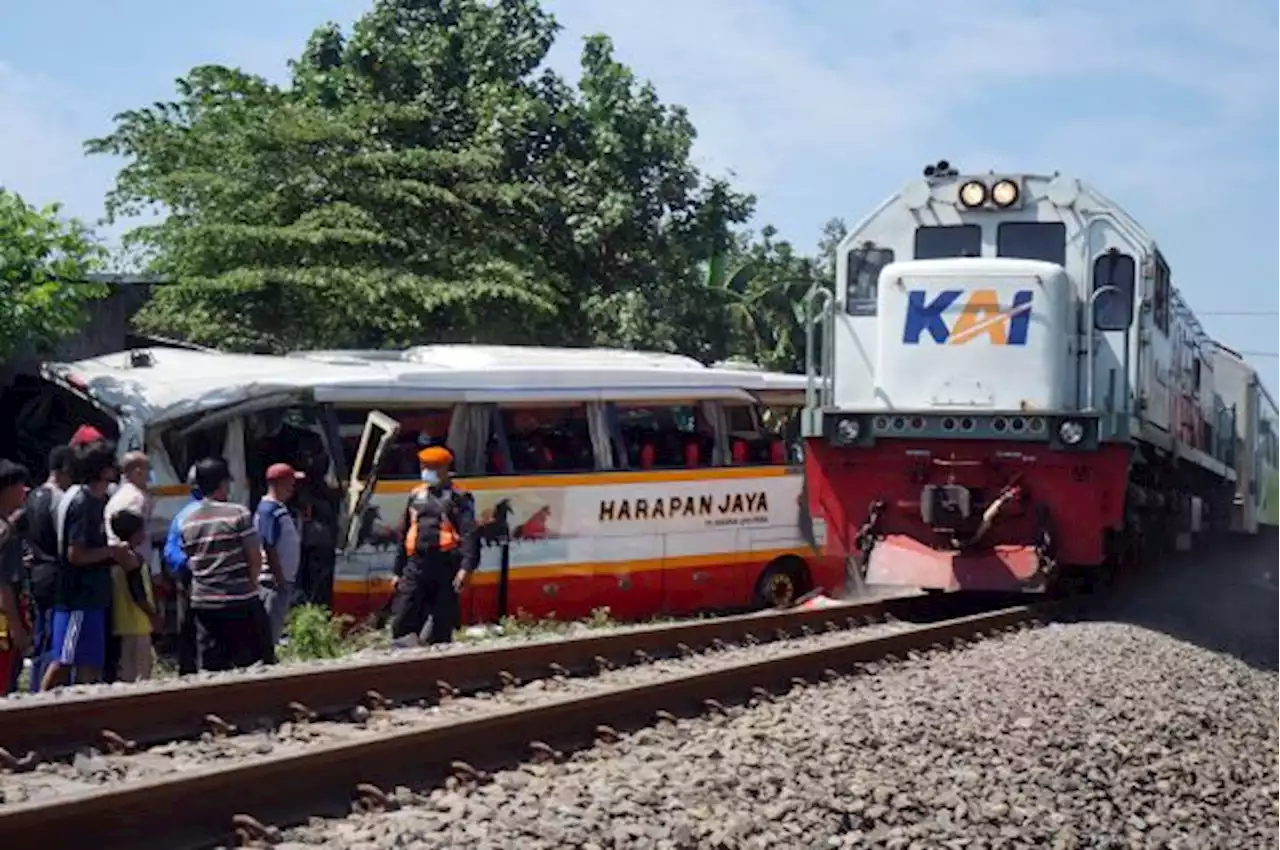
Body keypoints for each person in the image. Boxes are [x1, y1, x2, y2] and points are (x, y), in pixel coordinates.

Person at [42, 442, 133, 690]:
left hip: (95, 595)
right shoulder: (82, 503)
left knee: (90, 663)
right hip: (77, 598)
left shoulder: (103, 499)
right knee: (64, 660)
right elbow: (76, 554)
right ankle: (37, 703)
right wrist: (111, 552)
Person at [180, 457, 268, 672]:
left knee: (213, 666)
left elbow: (192, 561)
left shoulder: (188, 520)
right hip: (238, 599)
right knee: (255, 663)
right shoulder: (238, 514)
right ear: (223, 484)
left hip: (203, 602)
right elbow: (254, 557)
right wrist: (252, 583)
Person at [389, 445, 477, 646]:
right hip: (415, 563)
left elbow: (469, 535)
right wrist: (397, 570)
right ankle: (401, 657)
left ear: (445, 469)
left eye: (431, 467)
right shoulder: (416, 495)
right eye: (423, 466)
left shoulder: (459, 497)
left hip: (445, 565)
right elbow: (403, 534)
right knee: (404, 614)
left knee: (441, 620)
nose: (425, 471)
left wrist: (465, 568)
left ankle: (436, 659)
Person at [21, 446, 73, 691]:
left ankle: (34, 688)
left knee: (42, 635)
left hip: (36, 573)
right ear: (64, 469)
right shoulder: (60, 500)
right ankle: (47, 691)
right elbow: (64, 542)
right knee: (57, 637)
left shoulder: (33, 496)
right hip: (56, 573)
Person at [106, 509, 161, 681]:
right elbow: (137, 592)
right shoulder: (131, 559)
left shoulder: (113, 557)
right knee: (140, 671)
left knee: (127, 670)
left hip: (122, 622)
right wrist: (153, 615)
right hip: (138, 622)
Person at [255, 463, 303, 646]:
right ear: (280, 483)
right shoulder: (269, 510)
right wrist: (280, 578)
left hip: (279, 581)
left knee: (275, 628)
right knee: (270, 632)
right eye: (291, 482)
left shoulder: (276, 509)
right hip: (273, 583)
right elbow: (269, 545)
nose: (293, 487)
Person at [163, 466, 203, 675]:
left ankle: (187, 673)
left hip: (188, 582)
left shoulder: (182, 515)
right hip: (215, 584)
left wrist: (187, 568)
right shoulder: (229, 512)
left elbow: (171, 552)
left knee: (187, 631)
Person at [0, 460, 32, 695]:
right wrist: (16, 628)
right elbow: (3, 584)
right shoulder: (7, 533)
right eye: (20, 485)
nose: (26, 490)